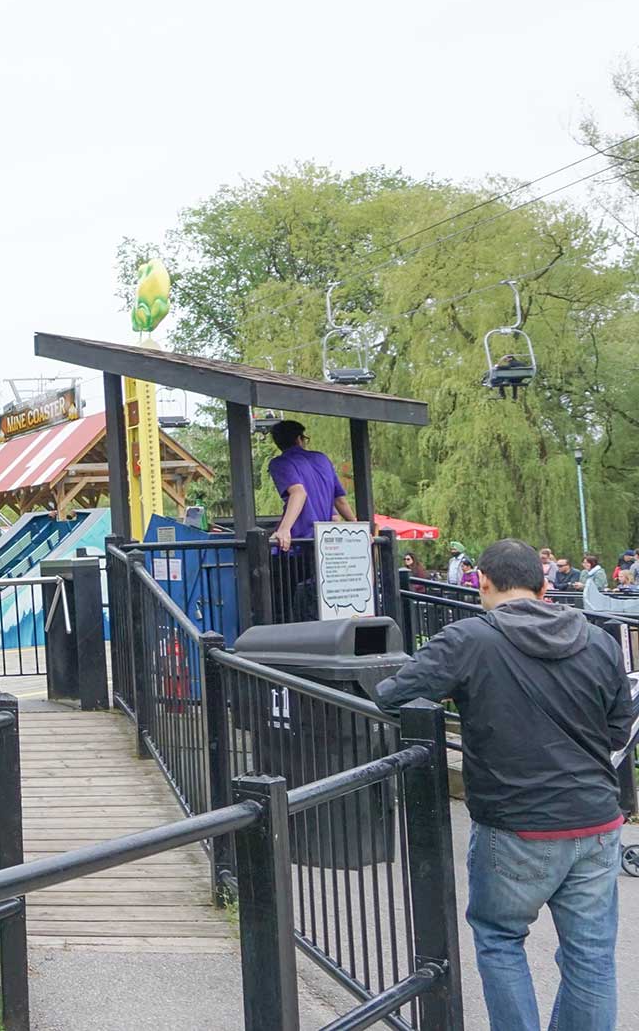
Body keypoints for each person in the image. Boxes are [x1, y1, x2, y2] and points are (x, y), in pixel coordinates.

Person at [374, 539, 636, 1031]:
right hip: (596, 821)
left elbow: (393, 695)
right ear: (542, 587)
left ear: (484, 583)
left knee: (499, 937)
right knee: (592, 957)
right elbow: (619, 728)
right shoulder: (597, 639)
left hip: (516, 826)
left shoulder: (470, 639)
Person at [267, 420, 357, 552]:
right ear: (299, 438)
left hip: (297, 542)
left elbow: (298, 493)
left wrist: (284, 529)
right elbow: (340, 500)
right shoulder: (322, 459)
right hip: (324, 543)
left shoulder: (280, 463)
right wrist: (357, 530)